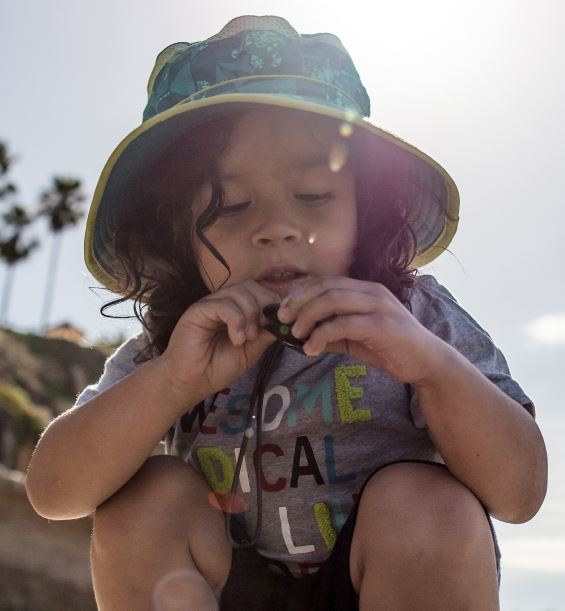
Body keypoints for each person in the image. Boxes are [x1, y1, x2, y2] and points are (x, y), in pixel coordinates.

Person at [25, 15, 547, 611]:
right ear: (176, 235)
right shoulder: (176, 340)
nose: (276, 229)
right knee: (145, 498)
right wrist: (171, 382)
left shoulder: (412, 313)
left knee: (428, 506)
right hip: (225, 589)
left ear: (365, 206)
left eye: (314, 195)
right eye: (232, 205)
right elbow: (54, 492)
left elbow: (519, 494)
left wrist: (431, 367)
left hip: (380, 582)